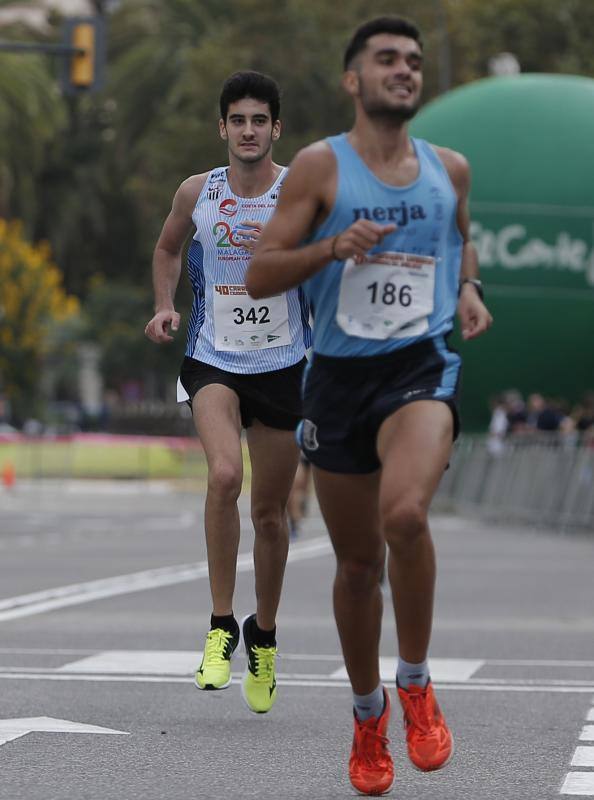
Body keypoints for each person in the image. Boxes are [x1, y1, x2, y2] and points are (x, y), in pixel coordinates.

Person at [246, 17, 492, 794]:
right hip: (338, 382)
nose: (405, 70)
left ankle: (416, 683)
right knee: (357, 567)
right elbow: (259, 274)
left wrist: (469, 287)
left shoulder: (449, 169)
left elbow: (460, 236)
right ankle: (366, 713)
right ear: (354, 80)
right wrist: (330, 247)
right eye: (387, 60)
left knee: (406, 518)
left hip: (418, 367)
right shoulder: (321, 167)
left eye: (414, 61)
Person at [145, 71, 311, 715]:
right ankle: (221, 624)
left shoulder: (302, 189)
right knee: (222, 477)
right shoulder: (198, 191)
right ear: (222, 129)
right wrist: (164, 306)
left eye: (258, 121)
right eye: (236, 120)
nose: (248, 131)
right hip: (213, 357)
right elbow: (166, 248)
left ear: (276, 128)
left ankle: (263, 635)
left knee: (271, 513)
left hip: (285, 363)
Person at [287, 452, 312, 539]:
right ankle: (293, 522)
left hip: (308, 448)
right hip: (297, 450)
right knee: (295, 485)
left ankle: (303, 501)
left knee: (304, 486)